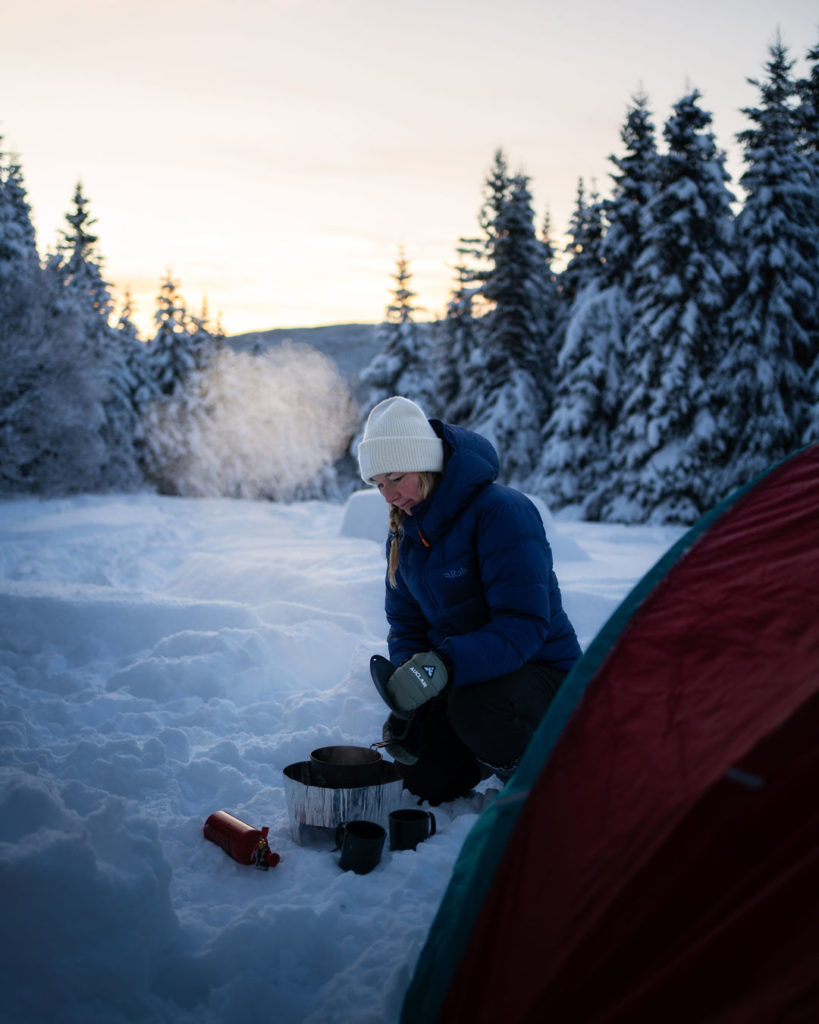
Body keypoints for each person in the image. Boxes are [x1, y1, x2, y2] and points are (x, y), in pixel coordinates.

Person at [358, 396, 581, 805]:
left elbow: (524, 625)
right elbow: (406, 625)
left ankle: (548, 782)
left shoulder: (501, 512)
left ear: (425, 463)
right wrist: (415, 693)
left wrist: (443, 666)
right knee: (423, 774)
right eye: (378, 484)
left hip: (545, 675)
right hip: (469, 678)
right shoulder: (405, 534)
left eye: (395, 477)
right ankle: (477, 752)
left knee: (476, 708)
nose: (388, 496)